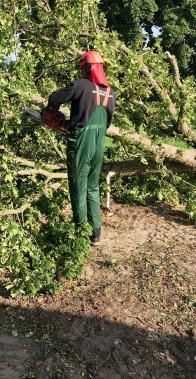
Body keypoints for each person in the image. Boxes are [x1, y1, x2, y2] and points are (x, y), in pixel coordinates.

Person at [47, 51, 116, 246]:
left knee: (78, 186)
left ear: (87, 68)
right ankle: (95, 232)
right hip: (99, 142)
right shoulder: (110, 92)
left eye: (81, 68)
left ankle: (79, 231)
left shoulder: (80, 85)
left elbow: (56, 96)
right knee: (93, 186)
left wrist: (51, 108)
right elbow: (106, 122)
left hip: (82, 142)